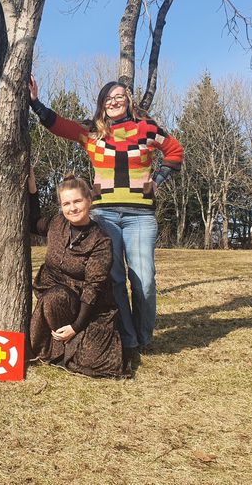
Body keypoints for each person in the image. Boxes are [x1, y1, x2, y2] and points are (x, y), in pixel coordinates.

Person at [29, 77, 184, 354]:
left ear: (129, 101)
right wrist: (35, 102)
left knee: (143, 279)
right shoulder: (92, 131)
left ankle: (144, 335)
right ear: (102, 103)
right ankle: (129, 339)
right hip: (105, 214)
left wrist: (158, 180)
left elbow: (175, 150)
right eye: (108, 98)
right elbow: (58, 124)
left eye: (119, 97)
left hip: (141, 215)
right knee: (113, 280)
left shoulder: (147, 128)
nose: (114, 102)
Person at [28, 170, 130, 377]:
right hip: (59, 299)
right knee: (55, 296)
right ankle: (57, 347)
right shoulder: (56, 224)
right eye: (66, 204)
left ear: (89, 201)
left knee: (95, 363)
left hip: (91, 308)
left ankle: (74, 339)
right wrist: (32, 188)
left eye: (77, 202)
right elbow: (33, 221)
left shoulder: (101, 241)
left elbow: (93, 289)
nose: (72, 208)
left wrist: (76, 327)